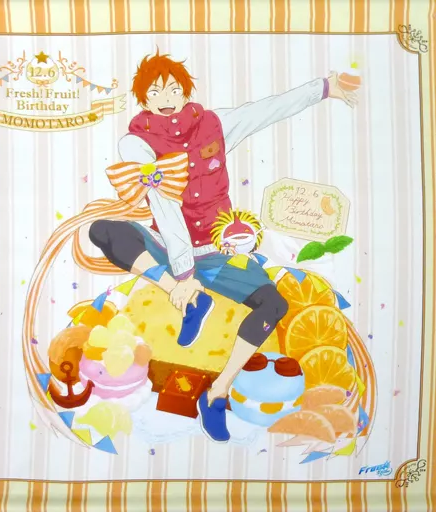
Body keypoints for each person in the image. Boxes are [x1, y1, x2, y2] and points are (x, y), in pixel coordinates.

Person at [89, 50, 357, 443]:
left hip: (217, 251)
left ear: (186, 92)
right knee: (103, 230)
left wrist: (326, 87)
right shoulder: (135, 144)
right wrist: (182, 277)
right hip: (168, 250)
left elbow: (267, 110)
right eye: (155, 91)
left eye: (173, 88)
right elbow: (164, 207)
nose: (166, 98)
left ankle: (217, 393)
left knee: (274, 305)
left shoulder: (214, 125)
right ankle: (190, 300)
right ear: (143, 99)